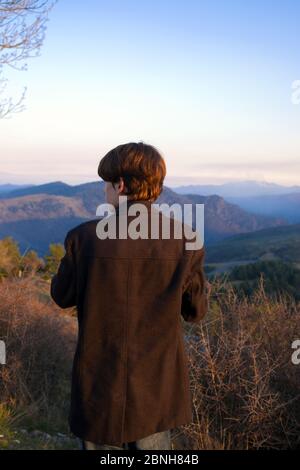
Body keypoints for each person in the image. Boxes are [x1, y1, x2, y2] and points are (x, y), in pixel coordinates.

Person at [50, 141, 210, 450]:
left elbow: (61, 295)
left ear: (120, 185)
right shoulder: (186, 239)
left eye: (106, 185)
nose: (104, 192)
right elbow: (195, 312)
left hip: (98, 385)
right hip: (157, 386)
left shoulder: (82, 238)